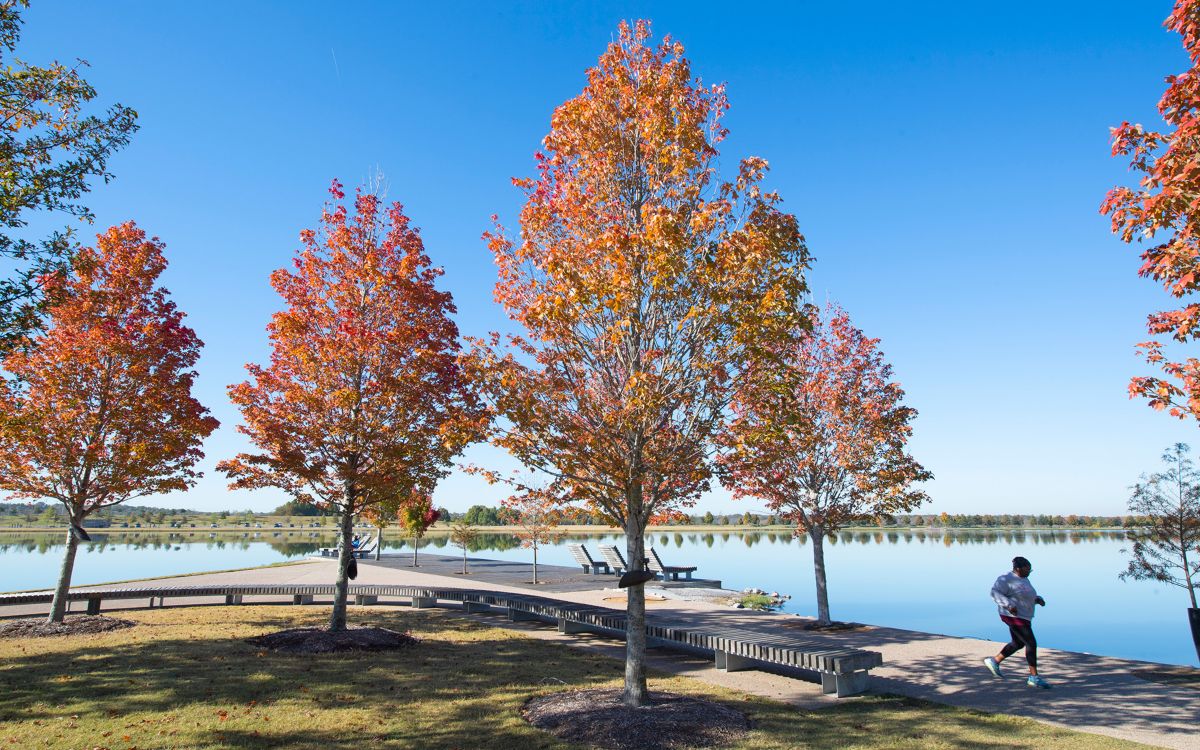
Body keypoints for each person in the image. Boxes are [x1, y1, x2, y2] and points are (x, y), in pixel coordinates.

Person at [983, 555, 1050, 688]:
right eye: (1027, 570)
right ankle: (1034, 677)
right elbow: (994, 592)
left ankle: (994, 661)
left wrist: (1037, 599)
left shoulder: (1024, 579)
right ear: (1017, 568)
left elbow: (1024, 595)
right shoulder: (1005, 579)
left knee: (1018, 643)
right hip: (1012, 616)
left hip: (1024, 616)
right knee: (1031, 643)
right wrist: (1008, 605)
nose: (1029, 573)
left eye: (1030, 570)